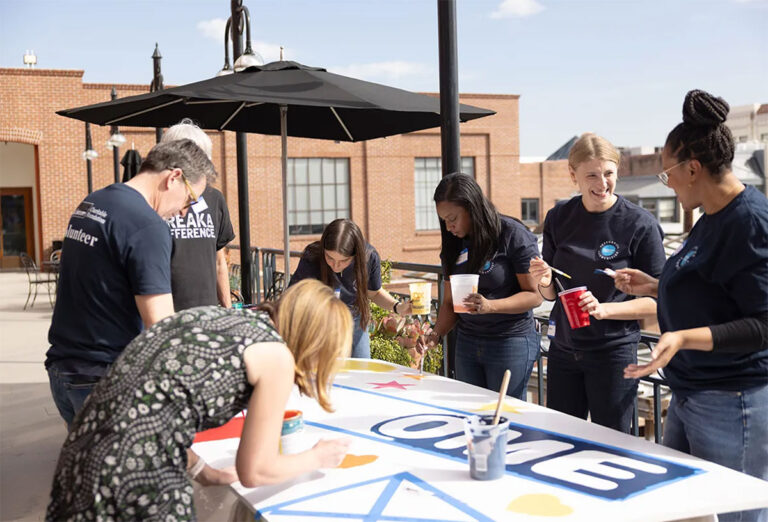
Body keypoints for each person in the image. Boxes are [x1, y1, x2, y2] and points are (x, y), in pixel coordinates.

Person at [46, 279, 353, 521]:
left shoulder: (223, 319)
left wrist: (202, 471)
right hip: (137, 477)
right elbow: (256, 471)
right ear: (315, 341)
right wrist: (317, 457)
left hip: (80, 459)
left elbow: (150, 406)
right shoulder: (276, 355)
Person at [617, 90, 768, 522]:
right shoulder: (712, 216)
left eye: (668, 175)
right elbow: (710, 286)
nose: (669, 183)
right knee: (676, 507)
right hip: (692, 394)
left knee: (738, 515)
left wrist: (682, 337)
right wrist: (656, 286)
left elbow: (762, 324)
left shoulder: (750, 223)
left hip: (731, 401)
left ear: (693, 168)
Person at [45, 139, 212, 430]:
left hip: (65, 369)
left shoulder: (95, 202)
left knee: (91, 471)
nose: (185, 212)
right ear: (173, 177)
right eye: (190, 200)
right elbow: (160, 325)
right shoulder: (147, 225)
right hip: (104, 375)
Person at [528, 133, 666, 433]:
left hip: (613, 355)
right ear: (573, 174)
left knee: (612, 444)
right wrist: (544, 280)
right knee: (561, 439)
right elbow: (551, 293)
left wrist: (603, 310)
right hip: (564, 350)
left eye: (608, 174)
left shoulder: (640, 224)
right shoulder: (559, 217)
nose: (601, 183)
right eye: (591, 174)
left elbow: (658, 300)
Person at [421, 173, 542, 400]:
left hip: (510, 342)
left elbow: (534, 296)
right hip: (467, 343)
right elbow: (449, 303)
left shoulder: (512, 234)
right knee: (471, 413)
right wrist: (435, 334)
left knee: (505, 416)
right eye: (443, 221)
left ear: (472, 208)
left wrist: (490, 306)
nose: (448, 227)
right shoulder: (453, 245)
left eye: (453, 218)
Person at [289, 218, 411, 358]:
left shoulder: (368, 257)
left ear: (356, 255)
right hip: (319, 322)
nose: (335, 266)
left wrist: (398, 307)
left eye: (343, 261)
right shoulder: (313, 256)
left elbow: (374, 293)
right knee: (326, 373)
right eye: (330, 258)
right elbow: (293, 296)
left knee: (361, 369)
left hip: (355, 321)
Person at [162, 119, 236, 310]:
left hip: (207, 311)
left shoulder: (214, 198)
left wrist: (227, 309)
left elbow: (220, 261)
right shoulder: (158, 199)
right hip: (167, 310)